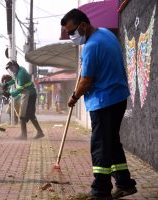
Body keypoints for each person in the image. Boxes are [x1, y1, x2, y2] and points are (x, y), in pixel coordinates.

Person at [61, 9, 137, 200]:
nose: (71, 36)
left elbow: (86, 81)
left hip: (104, 102)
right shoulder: (105, 34)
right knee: (111, 142)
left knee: (101, 146)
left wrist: (73, 97)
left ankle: (101, 190)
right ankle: (125, 183)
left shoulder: (92, 46)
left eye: (72, 32)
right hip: (118, 97)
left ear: (83, 26)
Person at [2, 60, 44, 139]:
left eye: (11, 68)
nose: (11, 70)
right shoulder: (18, 71)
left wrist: (10, 94)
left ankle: (24, 136)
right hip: (27, 94)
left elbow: (20, 89)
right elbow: (14, 80)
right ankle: (39, 132)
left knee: (22, 115)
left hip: (29, 95)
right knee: (30, 115)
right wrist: (7, 84)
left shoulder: (21, 73)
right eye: (9, 69)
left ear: (15, 66)